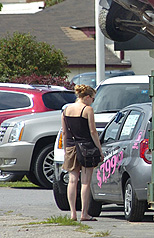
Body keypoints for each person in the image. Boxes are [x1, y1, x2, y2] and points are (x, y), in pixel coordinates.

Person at [61, 84, 104, 221]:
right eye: (93, 98)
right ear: (86, 97)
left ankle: (72, 213)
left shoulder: (66, 109)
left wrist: (65, 150)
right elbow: (93, 131)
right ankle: (84, 213)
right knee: (85, 182)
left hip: (70, 147)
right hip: (87, 148)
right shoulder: (87, 110)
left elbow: (64, 132)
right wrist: (99, 149)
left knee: (72, 181)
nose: (93, 101)